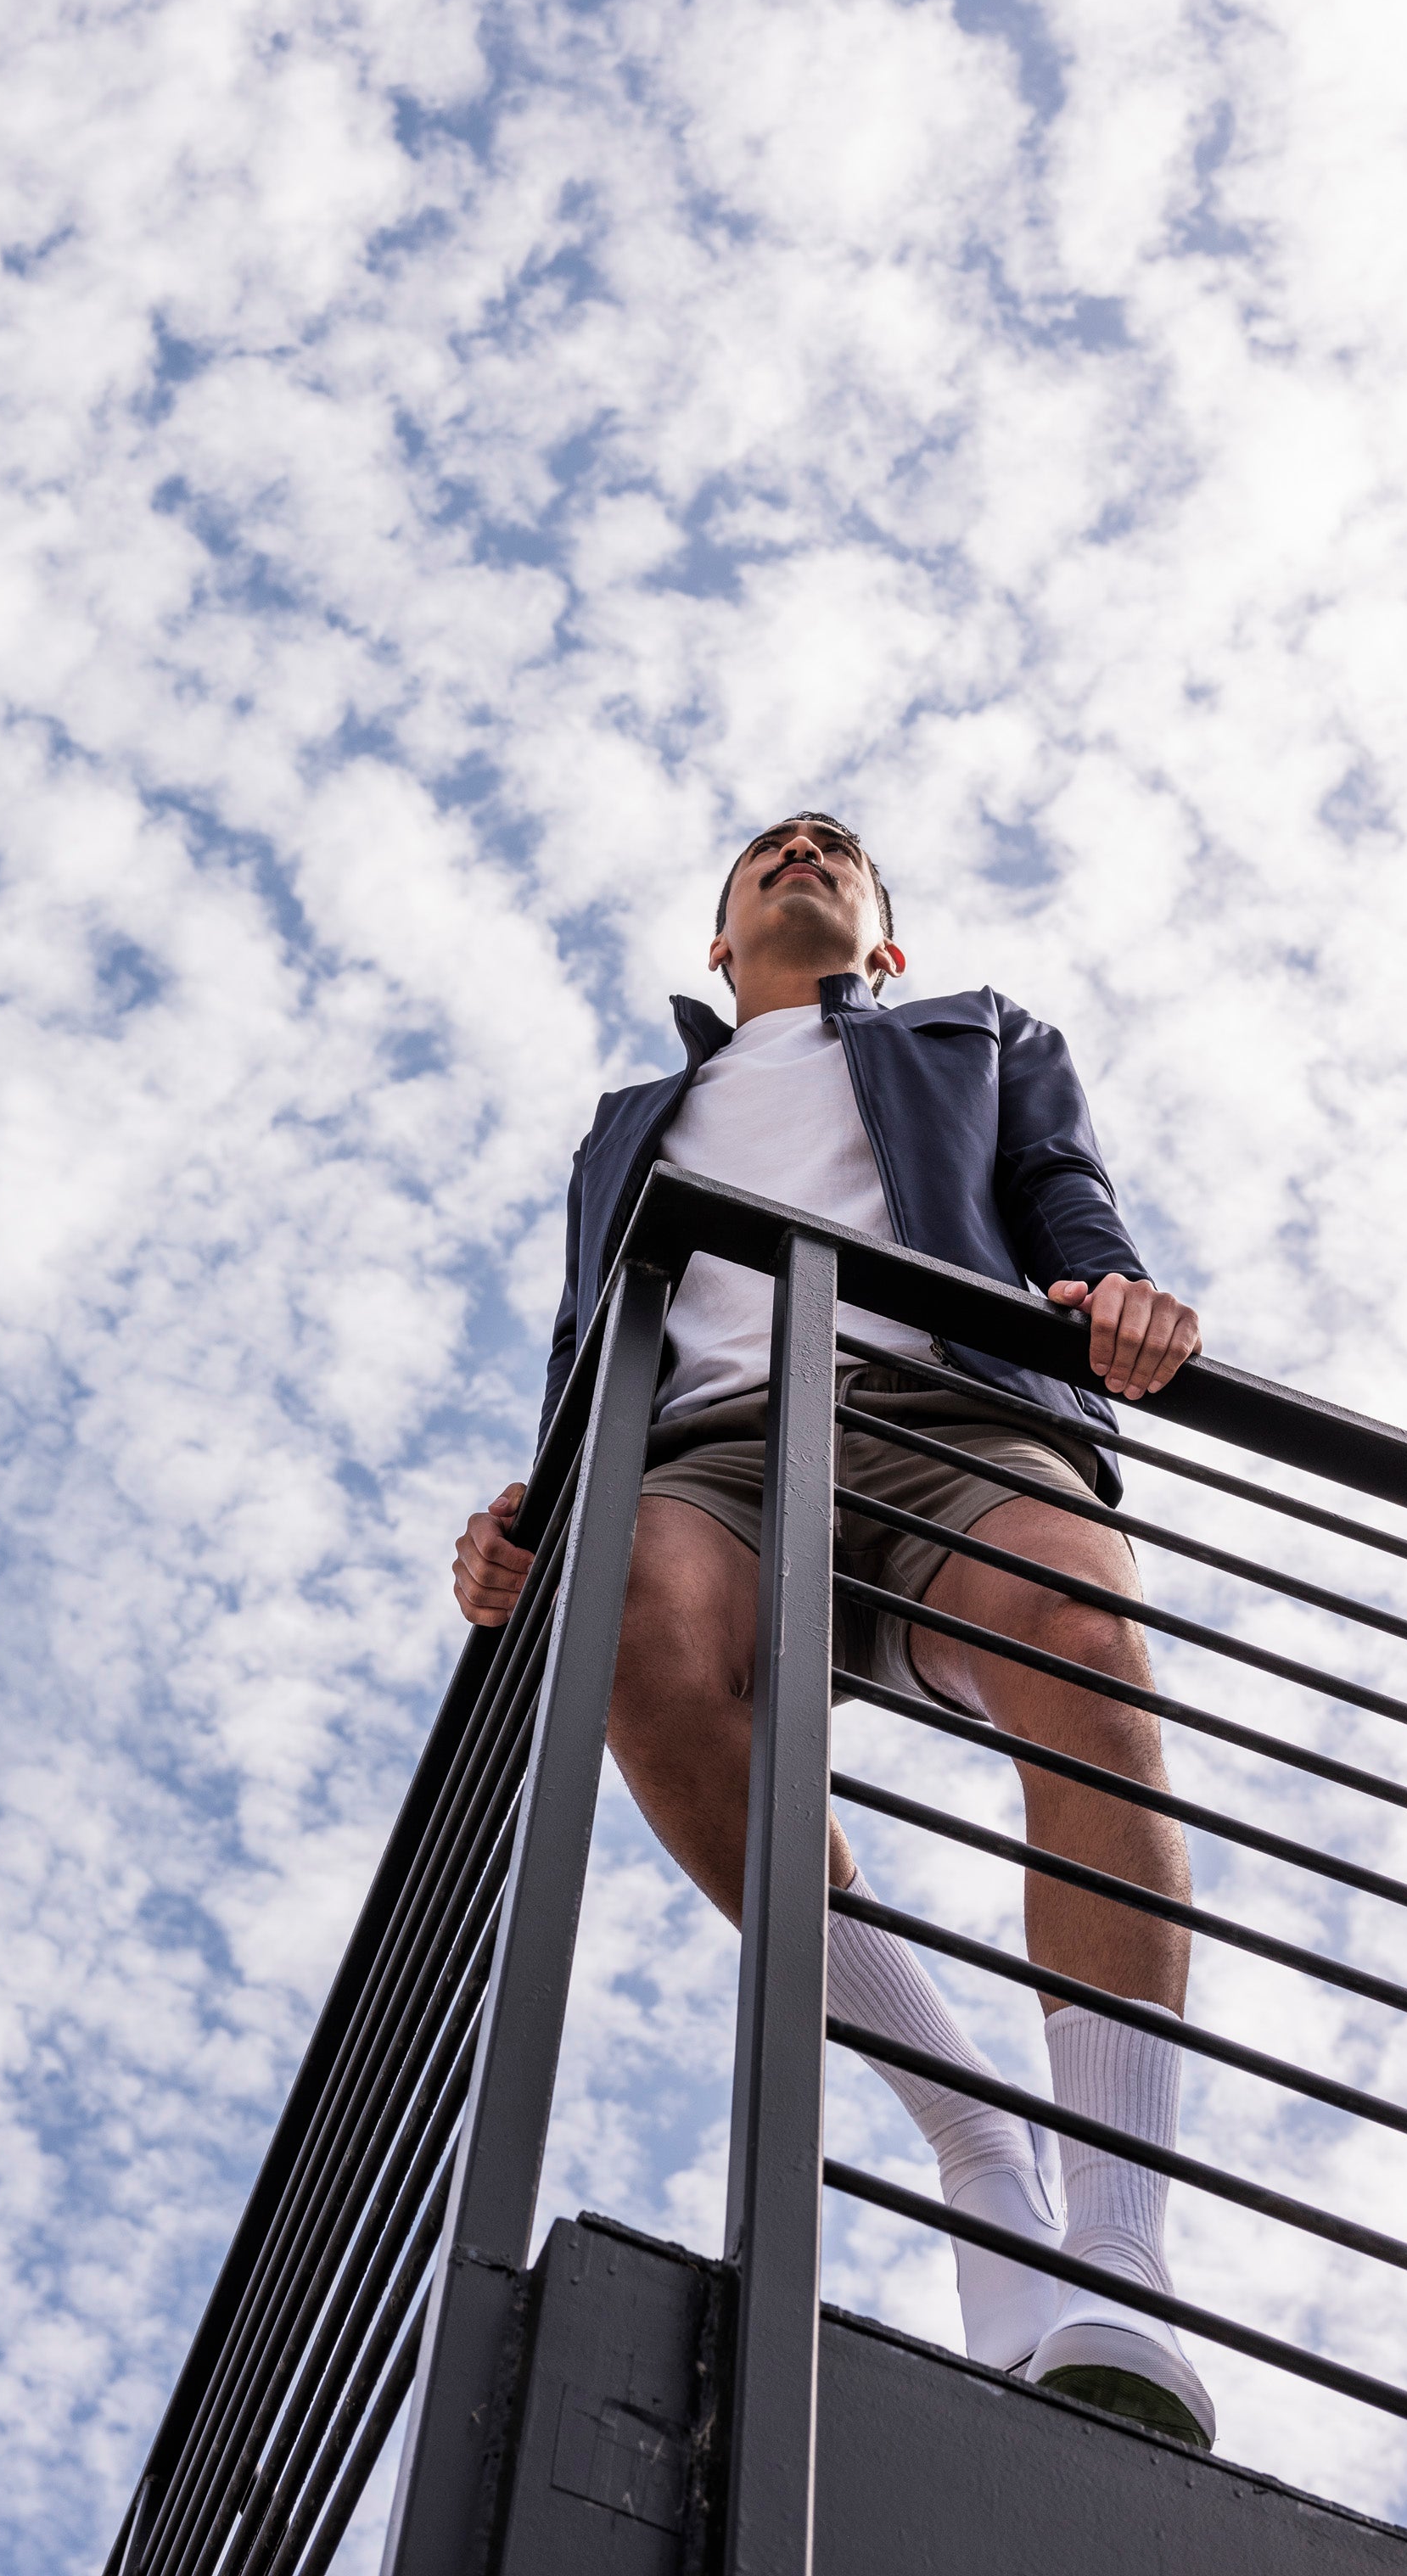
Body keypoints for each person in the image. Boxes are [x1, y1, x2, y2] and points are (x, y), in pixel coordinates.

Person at [451, 812, 1215, 2447]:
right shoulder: (627, 1125)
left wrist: (1119, 1292)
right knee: (632, 1652)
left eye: (840, 849)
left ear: (889, 939)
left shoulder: (981, 1031)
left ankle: (1121, 2253)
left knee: (1080, 1635)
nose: (804, 853)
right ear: (719, 944)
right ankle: (973, 2143)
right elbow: (597, 1325)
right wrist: (527, 1508)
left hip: (950, 1405)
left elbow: (1058, 1191)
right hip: (711, 1448)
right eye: (766, 852)